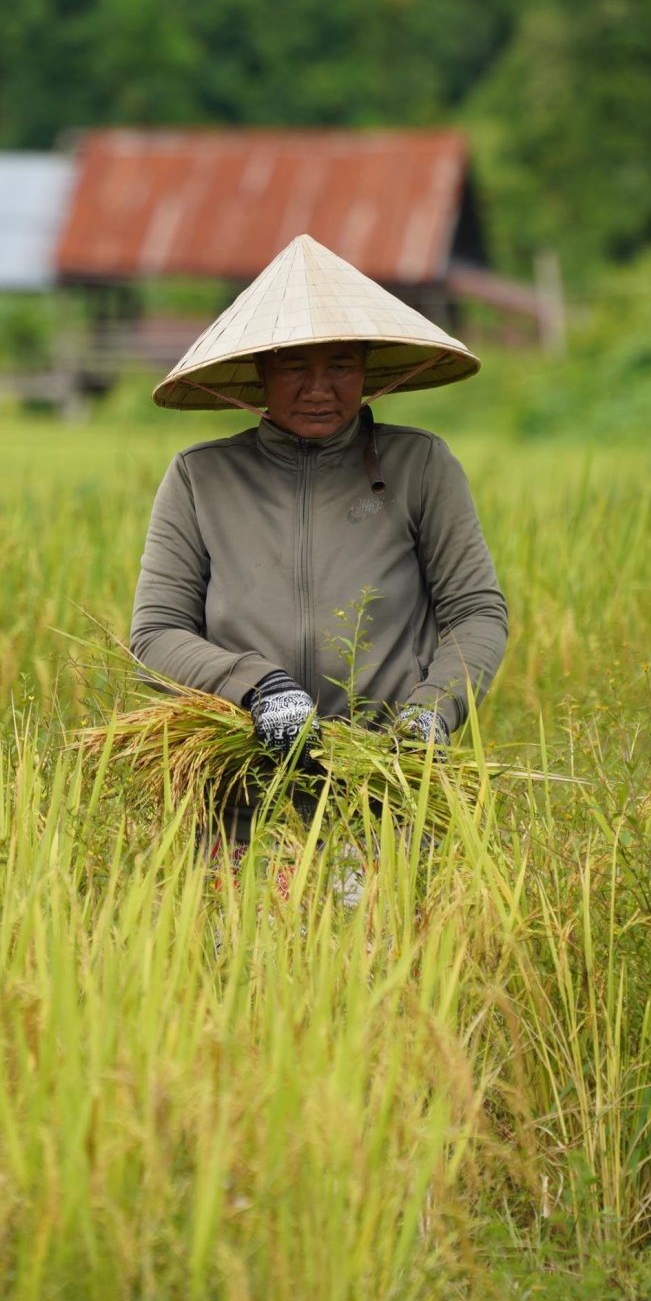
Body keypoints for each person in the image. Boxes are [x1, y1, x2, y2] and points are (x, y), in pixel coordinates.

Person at [129, 234, 509, 853]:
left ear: (366, 368)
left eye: (340, 365)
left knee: (389, 946)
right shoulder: (201, 477)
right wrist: (257, 687)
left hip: (384, 792)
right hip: (241, 795)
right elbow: (156, 634)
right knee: (237, 943)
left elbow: (477, 613)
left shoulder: (420, 466)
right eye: (294, 366)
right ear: (259, 371)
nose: (319, 388)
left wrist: (433, 710)